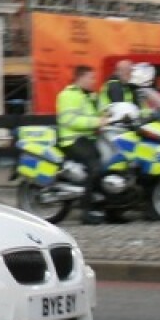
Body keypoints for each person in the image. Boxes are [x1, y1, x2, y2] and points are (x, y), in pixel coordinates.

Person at [56, 64, 109, 225]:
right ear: (81, 78)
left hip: (88, 138)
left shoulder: (89, 96)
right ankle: (86, 211)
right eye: (91, 78)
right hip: (72, 139)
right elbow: (68, 120)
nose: (94, 81)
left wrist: (110, 115)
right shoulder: (68, 95)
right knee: (95, 166)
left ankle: (109, 209)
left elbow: (103, 110)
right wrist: (97, 122)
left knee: (110, 163)